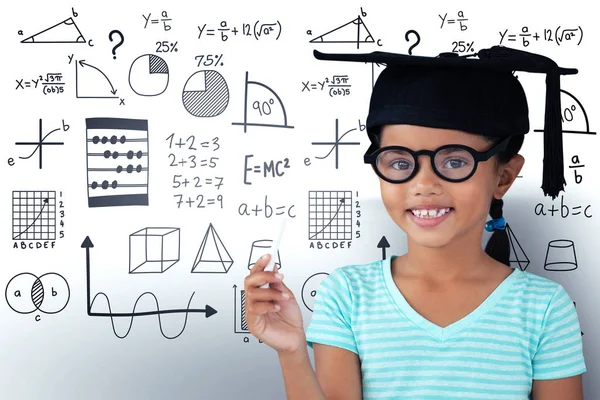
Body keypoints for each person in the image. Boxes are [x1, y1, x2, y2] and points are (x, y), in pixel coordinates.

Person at [243, 45, 587, 399]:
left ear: (504, 177)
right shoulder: (348, 295)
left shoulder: (543, 308)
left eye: (455, 161)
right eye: (400, 163)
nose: (423, 185)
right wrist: (291, 353)